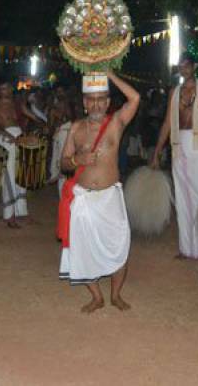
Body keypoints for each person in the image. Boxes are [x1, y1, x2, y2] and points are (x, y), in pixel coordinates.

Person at [58, 71, 139, 313]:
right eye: (91, 99)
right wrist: (77, 159)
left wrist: (110, 74)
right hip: (84, 198)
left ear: (108, 102)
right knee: (83, 248)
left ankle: (116, 295)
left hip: (110, 196)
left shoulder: (116, 123)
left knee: (119, 244)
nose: (96, 104)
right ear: (84, 103)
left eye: (101, 99)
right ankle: (97, 297)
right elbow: (62, 164)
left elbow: (134, 97)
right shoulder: (76, 128)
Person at [151, 53, 198, 259]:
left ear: (194, 66)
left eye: (187, 66)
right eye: (181, 66)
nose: (183, 69)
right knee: (183, 198)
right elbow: (168, 122)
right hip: (178, 145)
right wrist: (157, 151)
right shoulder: (174, 92)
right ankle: (186, 248)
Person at [0, 81, 29, 227]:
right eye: (2, 88)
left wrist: (42, 121)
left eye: (8, 88)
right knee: (9, 177)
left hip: (19, 140)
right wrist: (3, 133)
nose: (6, 90)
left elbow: (29, 115)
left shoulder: (17, 104)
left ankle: (21, 211)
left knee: (21, 176)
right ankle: (9, 215)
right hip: (7, 141)